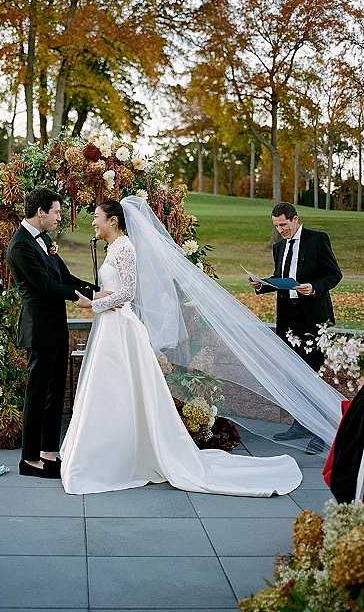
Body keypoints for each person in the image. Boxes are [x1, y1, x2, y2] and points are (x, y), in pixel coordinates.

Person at [60, 199, 304, 496]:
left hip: (121, 328)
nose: (93, 223)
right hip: (109, 326)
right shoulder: (113, 248)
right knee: (110, 390)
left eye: (96, 217)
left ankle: (117, 458)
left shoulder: (124, 247)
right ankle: (103, 454)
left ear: (113, 221)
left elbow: (128, 292)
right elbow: (114, 290)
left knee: (119, 388)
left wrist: (93, 303)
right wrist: (97, 295)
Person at [6, 188, 103, 479]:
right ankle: (29, 460)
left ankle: (48, 452)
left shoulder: (44, 240)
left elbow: (64, 277)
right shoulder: (21, 246)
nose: (60, 217)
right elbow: (47, 287)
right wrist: (81, 299)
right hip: (39, 330)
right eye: (57, 212)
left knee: (54, 391)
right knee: (37, 394)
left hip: (56, 327)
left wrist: (97, 291)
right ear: (41, 212)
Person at [249, 202, 342, 453]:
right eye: (276, 226)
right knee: (292, 375)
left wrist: (313, 287)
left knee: (314, 375)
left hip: (314, 318)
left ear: (295, 219)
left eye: (283, 224)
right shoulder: (279, 247)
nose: (280, 230)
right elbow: (281, 277)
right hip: (288, 318)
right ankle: (300, 423)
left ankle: (320, 430)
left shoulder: (317, 239)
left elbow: (334, 275)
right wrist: (262, 285)